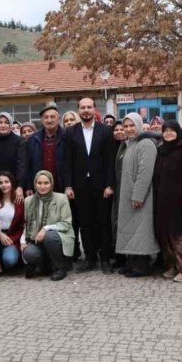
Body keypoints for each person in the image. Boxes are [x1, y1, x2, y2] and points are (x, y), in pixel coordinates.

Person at [63, 97, 116, 274]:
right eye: (83, 107)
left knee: (103, 223)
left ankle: (105, 259)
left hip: (101, 186)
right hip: (79, 186)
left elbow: (110, 160)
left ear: (94, 109)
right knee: (85, 223)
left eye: (89, 107)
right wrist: (68, 186)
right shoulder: (70, 132)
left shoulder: (105, 131)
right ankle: (90, 258)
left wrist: (109, 184)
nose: (86, 110)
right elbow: (67, 161)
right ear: (78, 110)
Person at [153, 120, 182, 281]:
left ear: (178, 131)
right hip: (164, 201)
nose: (168, 133)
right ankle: (172, 265)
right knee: (167, 235)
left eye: (171, 130)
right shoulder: (162, 150)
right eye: (165, 130)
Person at [116, 113, 160, 277]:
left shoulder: (146, 143)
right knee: (131, 230)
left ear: (139, 125)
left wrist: (138, 195)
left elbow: (145, 172)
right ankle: (132, 262)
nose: (128, 129)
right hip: (128, 195)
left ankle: (141, 266)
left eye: (132, 125)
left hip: (141, 197)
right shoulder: (131, 144)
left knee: (141, 230)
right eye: (126, 126)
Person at [21, 170, 74, 281]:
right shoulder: (28, 201)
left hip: (59, 237)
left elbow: (66, 223)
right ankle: (46, 265)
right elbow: (26, 224)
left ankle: (60, 268)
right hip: (37, 240)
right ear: (35, 184)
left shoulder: (61, 198)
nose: (42, 186)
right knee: (29, 253)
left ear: (51, 183)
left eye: (46, 183)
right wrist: (23, 241)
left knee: (49, 236)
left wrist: (45, 229)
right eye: (39, 183)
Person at [18, 104, 66, 199]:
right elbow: (28, 164)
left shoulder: (67, 137)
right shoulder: (33, 138)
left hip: (61, 186)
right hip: (39, 187)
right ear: (42, 120)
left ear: (59, 119)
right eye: (46, 117)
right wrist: (29, 186)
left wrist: (69, 186)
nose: (49, 120)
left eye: (52, 117)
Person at [0, 172, 25, 274]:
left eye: (6, 182)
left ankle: (2, 256)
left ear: (12, 183)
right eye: (1, 183)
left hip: (11, 237)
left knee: (10, 260)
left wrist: (12, 239)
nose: (4, 185)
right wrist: (0, 233)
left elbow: (22, 225)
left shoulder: (19, 201)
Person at [0, 112, 23, 181]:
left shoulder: (19, 141)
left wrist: (20, 184)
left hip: (14, 183)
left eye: (6, 122)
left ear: (10, 124)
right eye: (0, 122)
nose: (3, 125)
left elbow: (22, 166)